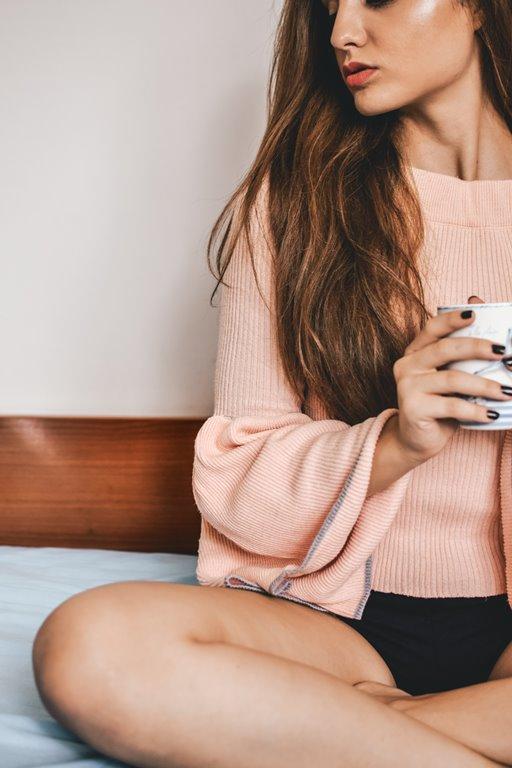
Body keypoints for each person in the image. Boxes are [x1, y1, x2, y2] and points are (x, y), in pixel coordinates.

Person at [31, 1, 512, 766]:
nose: (342, 32)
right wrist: (395, 439)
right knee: (88, 644)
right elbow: (242, 471)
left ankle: (359, 733)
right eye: (329, 6)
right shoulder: (296, 206)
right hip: (337, 628)